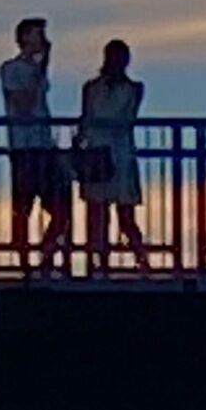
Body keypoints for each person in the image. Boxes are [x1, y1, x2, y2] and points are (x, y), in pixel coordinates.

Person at [75, 38, 152, 275]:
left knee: (124, 214)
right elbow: (86, 119)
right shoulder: (92, 87)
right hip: (99, 152)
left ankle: (140, 259)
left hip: (119, 153)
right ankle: (99, 263)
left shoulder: (133, 88)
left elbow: (125, 120)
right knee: (98, 213)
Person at [0, 17, 66, 275]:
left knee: (60, 208)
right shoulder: (11, 69)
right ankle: (24, 261)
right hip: (24, 147)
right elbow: (23, 105)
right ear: (24, 38)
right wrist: (39, 71)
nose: (43, 41)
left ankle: (46, 254)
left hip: (43, 147)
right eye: (38, 35)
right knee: (23, 208)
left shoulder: (36, 69)